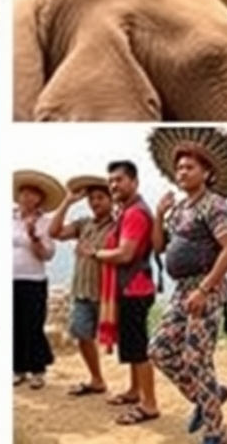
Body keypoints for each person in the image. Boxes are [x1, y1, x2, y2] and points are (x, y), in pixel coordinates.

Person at [146, 127, 227, 444]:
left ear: (207, 173)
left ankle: (216, 432)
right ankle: (209, 395)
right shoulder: (179, 209)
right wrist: (159, 214)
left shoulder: (213, 204)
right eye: (179, 167)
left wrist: (204, 290)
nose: (182, 172)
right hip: (181, 292)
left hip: (207, 290)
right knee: (159, 350)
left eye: (190, 167)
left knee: (196, 359)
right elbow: (159, 248)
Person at [80, 160, 159, 426]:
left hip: (134, 287)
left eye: (119, 180)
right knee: (132, 344)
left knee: (138, 347)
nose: (114, 184)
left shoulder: (135, 213)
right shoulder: (129, 210)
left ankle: (149, 405)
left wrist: (96, 253)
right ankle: (135, 391)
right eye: (111, 180)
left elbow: (125, 254)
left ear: (134, 182)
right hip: (134, 285)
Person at [47, 174, 115, 397]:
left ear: (111, 200)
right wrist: (67, 201)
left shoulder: (118, 225)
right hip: (82, 291)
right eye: (92, 199)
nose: (95, 202)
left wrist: (94, 253)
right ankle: (97, 379)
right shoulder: (84, 224)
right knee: (82, 335)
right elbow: (54, 232)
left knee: (127, 340)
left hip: (108, 295)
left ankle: (138, 388)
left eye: (100, 198)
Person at [12, 169, 62, 390]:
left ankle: (38, 370)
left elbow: (47, 255)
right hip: (10, 279)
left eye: (33, 193)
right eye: (24, 192)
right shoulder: (7, 218)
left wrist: (34, 237)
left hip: (33, 280)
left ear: (40, 198)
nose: (27, 197)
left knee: (32, 324)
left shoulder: (45, 223)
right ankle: (18, 369)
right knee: (14, 325)